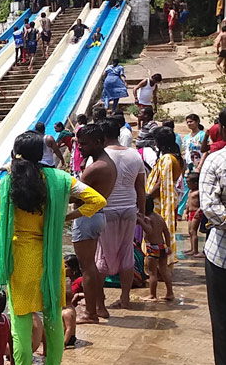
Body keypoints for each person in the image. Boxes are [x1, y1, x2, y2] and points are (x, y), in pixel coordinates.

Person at [0, 131, 106, 365]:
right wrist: (64, 216)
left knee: (20, 325)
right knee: (53, 321)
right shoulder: (61, 180)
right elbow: (97, 200)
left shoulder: (8, 181)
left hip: (20, 258)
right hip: (51, 258)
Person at [70, 124, 117, 324]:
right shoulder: (106, 162)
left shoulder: (96, 168)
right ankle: (100, 307)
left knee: (87, 267)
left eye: (84, 144)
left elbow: (74, 197)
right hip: (97, 215)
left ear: (98, 142)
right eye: (79, 144)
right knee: (92, 266)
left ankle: (91, 313)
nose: (80, 148)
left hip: (87, 217)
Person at [96, 120, 145, 310]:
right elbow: (140, 188)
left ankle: (99, 303)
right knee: (127, 254)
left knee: (101, 257)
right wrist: (141, 212)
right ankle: (125, 298)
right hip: (129, 209)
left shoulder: (100, 156)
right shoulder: (134, 154)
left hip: (107, 210)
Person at [199, 142, 226, 365]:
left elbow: (209, 206)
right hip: (220, 251)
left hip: (221, 251)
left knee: (221, 313)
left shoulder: (217, 160)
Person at [144, 127, 183, 271]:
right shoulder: (177, 157)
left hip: (160, 200)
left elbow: (162, 183)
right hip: (169, 197)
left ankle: (160, 268)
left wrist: (146, 196)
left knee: (156, 235)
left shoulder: (167, 159)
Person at [139, 196, 174, 301]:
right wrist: (168, 246)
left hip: (153, 248)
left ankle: (152, 295)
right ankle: (170, 293)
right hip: (162, 246)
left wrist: (140, 221)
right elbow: (166, 233)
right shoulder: (159, 217)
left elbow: (149, 231)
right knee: (164, 270)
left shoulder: (147, 219)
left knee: (152, 273)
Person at [185, 173, 203, 258]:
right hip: (190, 212)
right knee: (190, 231)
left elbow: (202, 203)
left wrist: (199, 210)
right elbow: (188, 202)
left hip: (196, 212)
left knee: (193, 231)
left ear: (195, 183)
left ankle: (195, 250)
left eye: (189, 183)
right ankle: (192, 249)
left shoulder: (198, 192)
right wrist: (186, 211)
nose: (187, 185)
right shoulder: (190, 191)